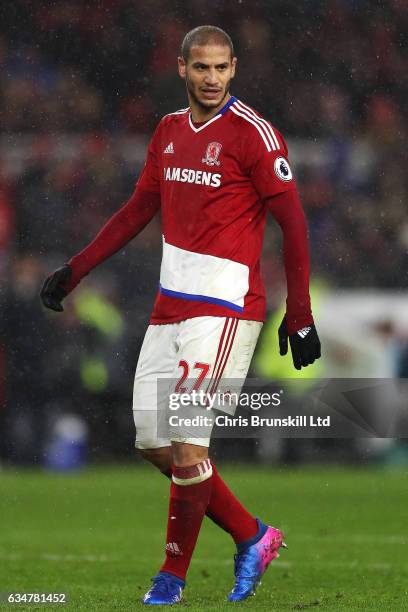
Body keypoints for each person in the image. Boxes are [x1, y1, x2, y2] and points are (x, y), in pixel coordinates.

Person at [40, 25, 321, 605]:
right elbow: (136, 210)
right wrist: (76, 269)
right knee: (152, 443)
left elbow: (294, 225)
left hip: (224, 312)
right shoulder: (168, 131)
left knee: (191, 447)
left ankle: (170, 579)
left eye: (221, 68)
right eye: (201, 68)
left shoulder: (256, 135)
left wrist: (300, 313)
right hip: (170, 309)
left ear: (234, 68)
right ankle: (253, 534)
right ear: (182, 68)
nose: (212, 79)